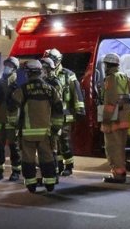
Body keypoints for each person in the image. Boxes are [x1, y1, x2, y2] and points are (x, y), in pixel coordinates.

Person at [10, 60, 63, 193]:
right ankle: (50, 184)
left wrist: (14, 124)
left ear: (28, 73)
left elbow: (12, 108)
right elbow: (58, 109)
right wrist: (55, 128)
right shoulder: (50, 89)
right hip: (46, 133)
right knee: (47, 158)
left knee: (28, 160)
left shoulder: (22, 90)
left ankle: (31, 185)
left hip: (27, 133)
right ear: (40, 72)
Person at [99, 53, 130, 183]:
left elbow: (110, 104)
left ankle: (118, 175)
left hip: (113, 120)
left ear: (107, 65)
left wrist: (104, 120)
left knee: (113, 148)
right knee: (120, 147)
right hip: (124, 119)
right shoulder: (123, 77)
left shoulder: (110, 79)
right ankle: (121, 171)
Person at [43, 48, 85, 176]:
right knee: (54, 141)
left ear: (57, 60)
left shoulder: (68, 74)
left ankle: (69, 165)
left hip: (65, 115)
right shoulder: (45, 75)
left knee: (64, 141)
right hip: (50, 115)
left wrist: (80, 109)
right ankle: (59, 165)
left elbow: (76, 93)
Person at [0, 56, 21, 182]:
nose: (7, 67)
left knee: (14, 148)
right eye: (6, 65)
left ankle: (16, 172)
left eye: (10, 66)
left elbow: (20, 102)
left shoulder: (18, 83)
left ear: (14, 68)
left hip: (12, 121)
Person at [40, 57, 63, 181]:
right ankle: (50, 174)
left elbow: (56, 103)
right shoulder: (44, 81)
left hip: (52, 119)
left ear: (49, 69)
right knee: (47, 149)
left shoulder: (55, 83)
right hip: (45, 120)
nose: (42, 70)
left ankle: (54, 174)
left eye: (44, 68)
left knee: (52, 148)